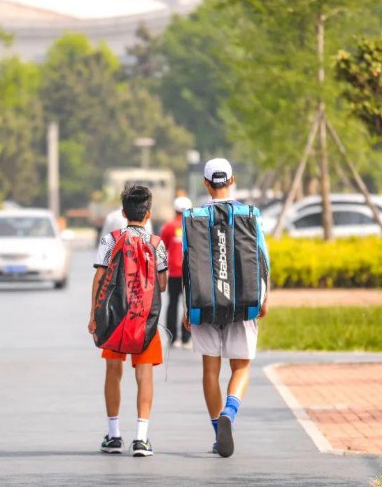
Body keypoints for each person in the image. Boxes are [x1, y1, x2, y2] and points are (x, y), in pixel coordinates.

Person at [182, 158, 269, 458]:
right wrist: (265, 297)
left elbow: (187, 264)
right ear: (232, 180)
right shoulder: (250, 214)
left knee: (210, 368)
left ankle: (218, 434)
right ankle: (229, 414)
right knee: (241, 365)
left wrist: (186, 308)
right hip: (243, 299)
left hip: (205, 302)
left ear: (206, 184)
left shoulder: (193, 217)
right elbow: (262, 259)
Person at [88, 185, 169, 457]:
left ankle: (113, 436)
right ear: (148, 215)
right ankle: (142, 439)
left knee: (113, 371)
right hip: (144, 319)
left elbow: (99, 278)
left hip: (114, 318)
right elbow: (162, 284)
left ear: (124, 213)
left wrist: (94, 316)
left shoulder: (110, 240)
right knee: (144, 374)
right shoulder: (157, 244)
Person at [160, 196, 193, 349]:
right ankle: (186, 338)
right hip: (191, 272)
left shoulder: (168, 227)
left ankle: (173, 338)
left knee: (173, 303)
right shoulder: (193, 225)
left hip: (174, 272)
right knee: (189, 304)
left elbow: (162, 248)